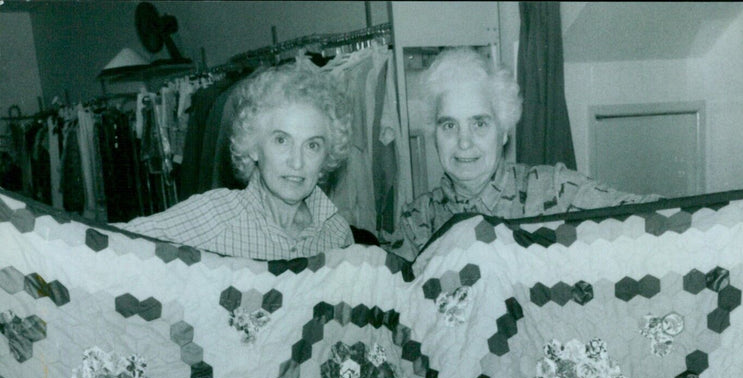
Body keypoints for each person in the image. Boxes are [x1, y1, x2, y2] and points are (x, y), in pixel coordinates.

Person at [387, 48, 657, 261]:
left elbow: (647, 215)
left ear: (504, 131)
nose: (464, 142)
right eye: (449, 125)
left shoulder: (554, 191)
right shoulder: (416, 222)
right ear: (434, 136)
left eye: (479, 123)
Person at [122, 60, 354, 260]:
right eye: (281, 140)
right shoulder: (213, 216)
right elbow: (115, 245)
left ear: (327, 157)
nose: (297, 162)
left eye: (313, 145)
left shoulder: (337, 233)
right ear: (253, 147)